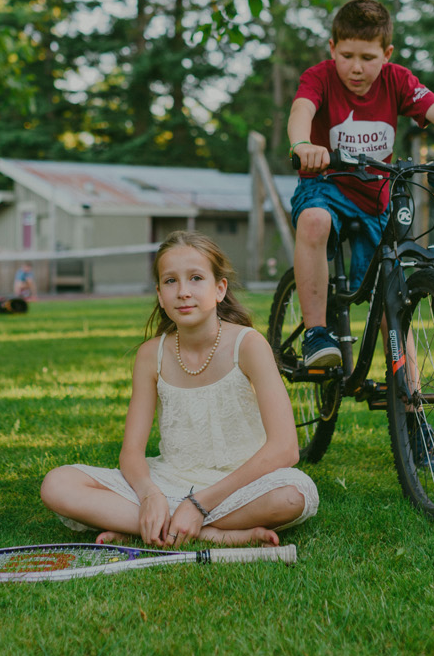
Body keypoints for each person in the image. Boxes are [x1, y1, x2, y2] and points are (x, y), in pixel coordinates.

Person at [40, 231, 317, 546]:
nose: (183, 291)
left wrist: (200, 504)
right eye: (171, 281)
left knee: (294, 495)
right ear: (159, 294)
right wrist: (148, 495)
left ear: (219, 289)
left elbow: (285, 448)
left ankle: (162, 526)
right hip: (168, 480)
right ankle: (205, 531)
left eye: (196, 278)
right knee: (57, 484)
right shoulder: (150, 356)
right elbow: (131, 452)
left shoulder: (249, 345)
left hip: (240, 485)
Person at [288, 0, 434, 368]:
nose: (356, 68)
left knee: (391, 295)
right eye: (347, 56)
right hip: (327, 185)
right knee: (314, 221)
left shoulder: (398, 81)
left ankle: (410, 401)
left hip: (376, 197)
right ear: (332, 49)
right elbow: (301, 109)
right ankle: (316, 334)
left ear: (387, 53)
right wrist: (303, 143)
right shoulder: (320, 77)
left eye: (368, 58)